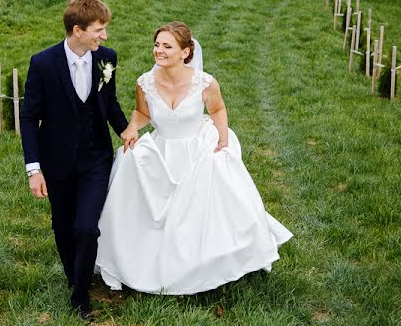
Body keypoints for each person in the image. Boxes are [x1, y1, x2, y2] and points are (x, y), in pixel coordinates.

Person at [95, 21, 292, 294]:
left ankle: (209, 260)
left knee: (202, 204)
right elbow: (143, 114)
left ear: (185, 52)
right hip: (162, 151)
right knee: (133, 164)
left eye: (167, 46)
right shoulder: (145, 82)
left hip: (196, 147)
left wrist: (222, 135)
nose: (159, 51)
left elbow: (218, 109)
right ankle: (146, 259)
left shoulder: (205, 82)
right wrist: (131, 128)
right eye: (157, 45)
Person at [20, 0, 130, 320]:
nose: (105, 36)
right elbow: (28, 117)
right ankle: (74, 279)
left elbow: (109, 104)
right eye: (99, 30)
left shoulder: (106, 58)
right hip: (57, 161)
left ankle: (81, 297)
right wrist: (34, 169)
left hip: (96, 158)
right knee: (63, 227)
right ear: (78, 31)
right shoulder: (43, 63)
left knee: (87, 228)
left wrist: (127, 133)